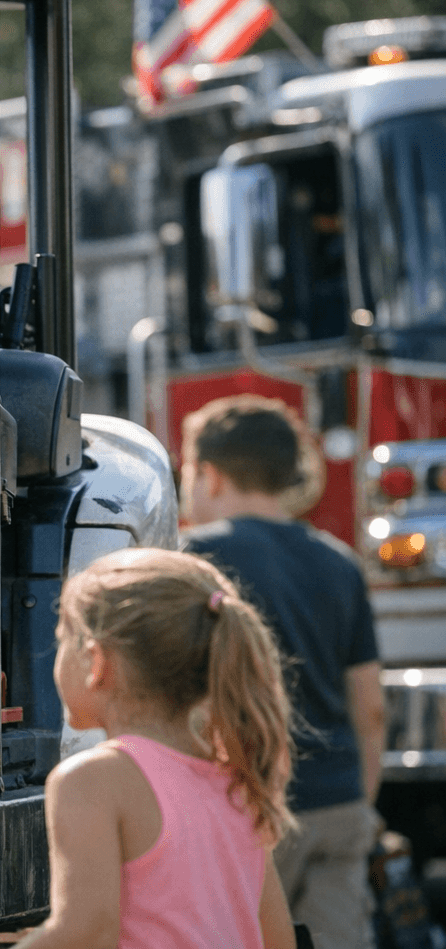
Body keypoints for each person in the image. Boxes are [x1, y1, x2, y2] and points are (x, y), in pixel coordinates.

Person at [179, 395, 385, 949]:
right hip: (336, 804)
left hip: (239, 804)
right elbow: (369, 706)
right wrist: (357, 803)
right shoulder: (339, 560)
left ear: (209, 474)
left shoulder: (190, 559)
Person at [16, 548, 298, 949]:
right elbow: (279, 939)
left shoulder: (92, 780)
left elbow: (86, 932)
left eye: (62, 639)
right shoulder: (237, 780)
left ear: (96, 661)